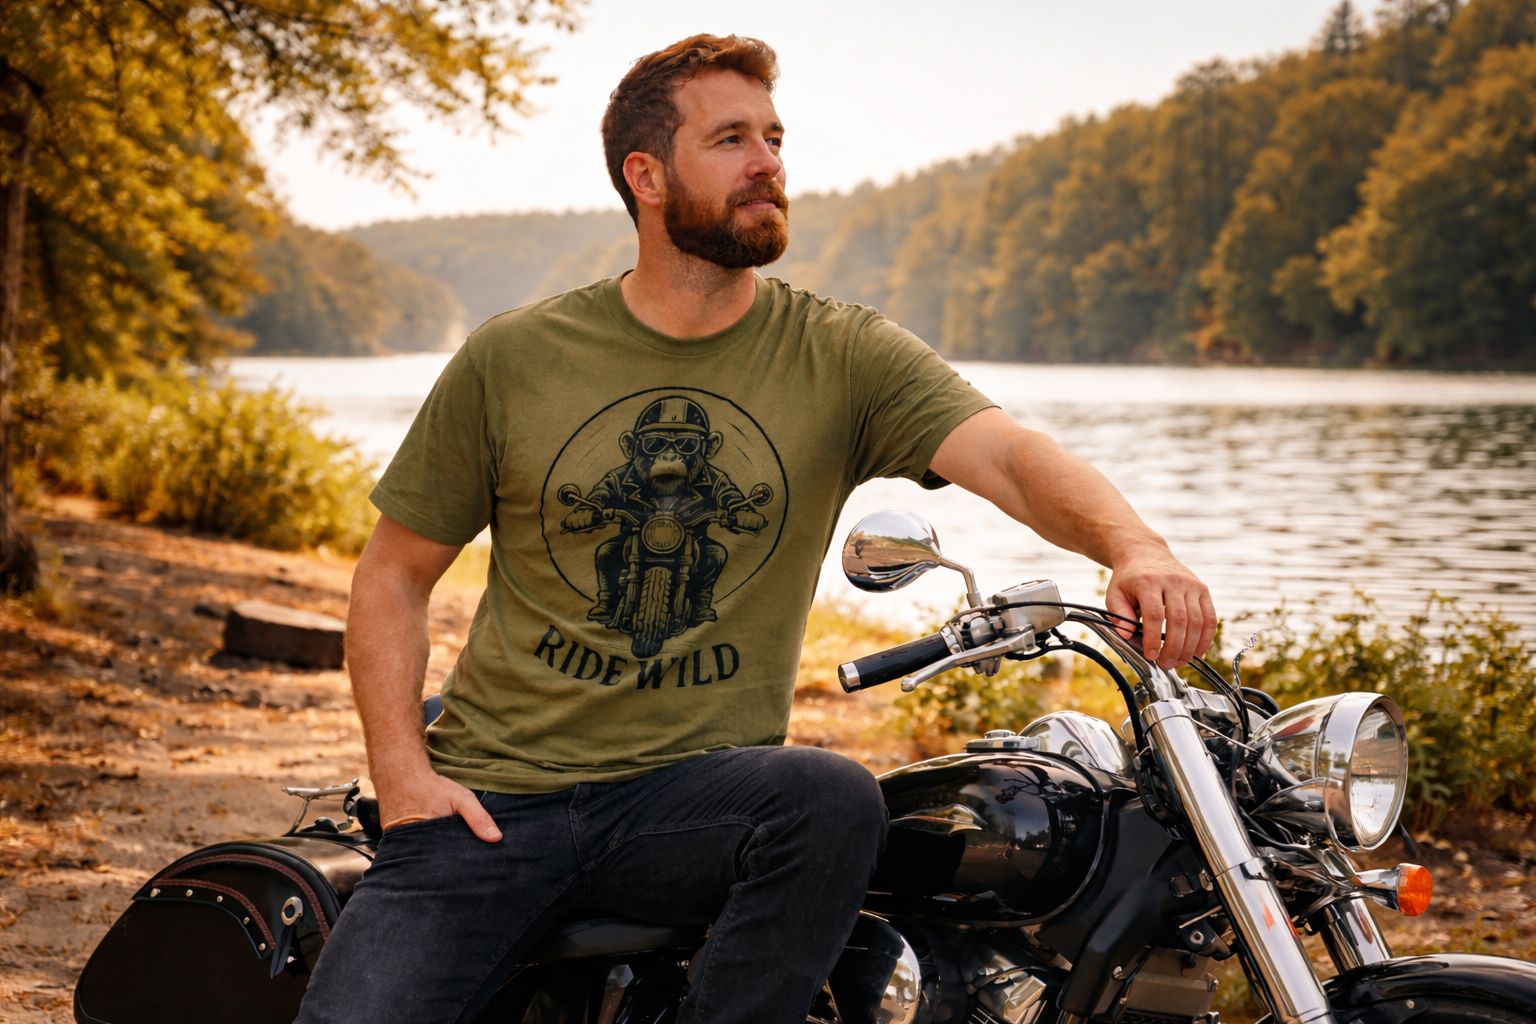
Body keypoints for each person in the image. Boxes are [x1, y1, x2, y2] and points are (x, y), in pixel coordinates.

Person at [295, 33, 1216, 1024]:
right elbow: (393, 573)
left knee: (829, 797)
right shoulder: (515, 356)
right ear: (645, 176)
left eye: (775, 137)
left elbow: (1008, 455)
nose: (769, 162)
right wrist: (402, 773)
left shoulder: (840, 351)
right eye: (731, 138)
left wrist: (1135, 545)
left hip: (691, 807)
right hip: (490, 804)